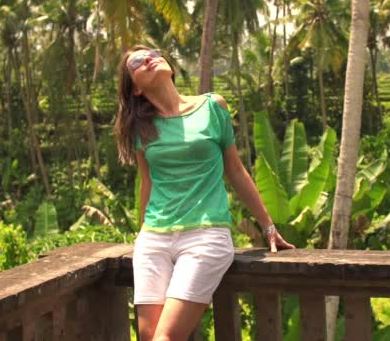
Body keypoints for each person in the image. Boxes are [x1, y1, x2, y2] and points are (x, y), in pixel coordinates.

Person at [114, 45, 294, 341]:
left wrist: (269, 226)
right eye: (136, 60)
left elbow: (235, 171)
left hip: (205, 236)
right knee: (148, 337)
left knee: (165, 338)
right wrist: (142, 231)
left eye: (153, 52)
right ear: (134, 89)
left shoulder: (213, 107)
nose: (149, 58)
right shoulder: (142, 127)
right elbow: (147, 182)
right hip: (154, 239)